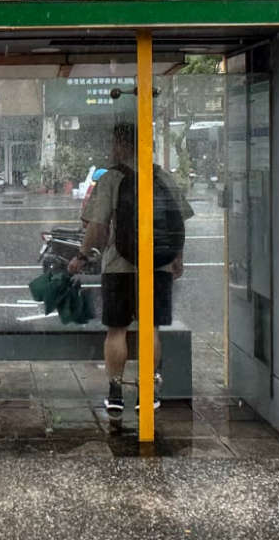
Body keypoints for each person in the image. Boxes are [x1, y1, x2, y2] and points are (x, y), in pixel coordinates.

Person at [70, 121, 195, 415]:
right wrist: (177, 256)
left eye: (115, 143)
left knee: (117, 331)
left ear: (123, 145)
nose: (112, 149)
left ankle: (115, 392)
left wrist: (82, 255)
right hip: (158, 265)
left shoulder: (112, 178)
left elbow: (97, 227)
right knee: (149, 329)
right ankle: (147, 392)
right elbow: (177, 221)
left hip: (119, 265)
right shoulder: (162, 175)